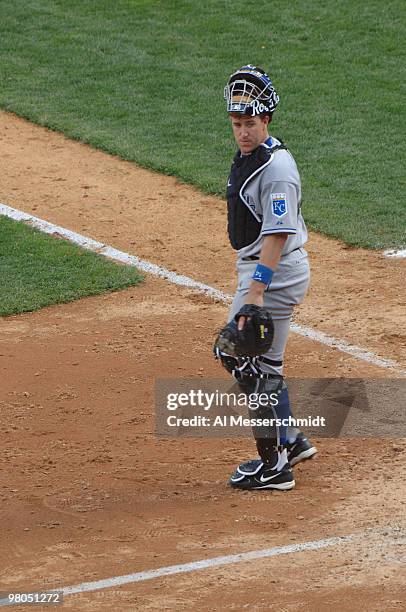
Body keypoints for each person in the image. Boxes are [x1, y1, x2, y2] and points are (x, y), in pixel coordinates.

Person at [216, 64, 317, 490]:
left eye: (250, 124)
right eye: (237, 124)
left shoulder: (277, 169)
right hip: (270, 270)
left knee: (241, 356)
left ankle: (274, 466)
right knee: (265, 363)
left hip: (272, 272)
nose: (243, 132)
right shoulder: (252, 156)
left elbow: (277, 233)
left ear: (267, 120)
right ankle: (291, 441)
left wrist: (256, 290)